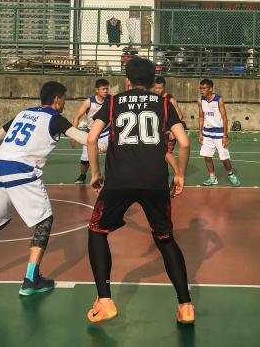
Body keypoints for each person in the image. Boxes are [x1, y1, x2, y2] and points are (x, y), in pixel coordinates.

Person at [0, 81, 88, 296]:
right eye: (63, 99)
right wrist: (109, 142)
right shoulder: (55, 118)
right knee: (44, 221)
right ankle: (31, 279)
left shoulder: (24, 113)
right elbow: (83, 138)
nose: (64, 103)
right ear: (57, 100)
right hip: (20, 170)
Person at [86, 57, 194, 324]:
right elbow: (184, 142)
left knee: (97, 231)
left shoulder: (113, 102)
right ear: (152, 80)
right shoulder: (163, 103)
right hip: (154, 181)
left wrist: (96, 173)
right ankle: (185, 306)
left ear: (127, 81)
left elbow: (91, 138)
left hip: (119, 181)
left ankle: (105, 300)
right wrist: (180, 174)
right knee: (165, 238)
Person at [198, 79, 239, 187]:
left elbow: (224, 118)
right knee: (207, 156)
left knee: (224, 157)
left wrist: (225, 136)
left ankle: (231, 175)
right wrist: (200, 133)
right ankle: (212, 178)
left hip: (219, 132)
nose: (202, 90)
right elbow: (201, 117)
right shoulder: (200, 100)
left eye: (204, 88)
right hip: (207, 132)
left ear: (210, 89)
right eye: (201, 88)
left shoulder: (218, 100)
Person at [70, 78, 110, 184]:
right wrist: (73, 135)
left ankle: (111, 176)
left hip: (106, 132)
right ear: (97, 90)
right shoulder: (89, 102)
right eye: (103, 89)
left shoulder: (111, 100)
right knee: (85, 159)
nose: (106, 91)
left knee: (113, 154)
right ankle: (82, 175)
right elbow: (77, 117)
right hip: (91, 133)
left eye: (107, 89)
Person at [153, 76, 186, 174]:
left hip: (169, 131)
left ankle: (178, 174)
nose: (157, 90)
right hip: (159, 131)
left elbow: (180, 115)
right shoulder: (154, 98)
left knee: (167, 153)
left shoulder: (170, 100)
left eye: (160, 88)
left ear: (164, 87)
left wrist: (173, 131)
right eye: (156, 88)